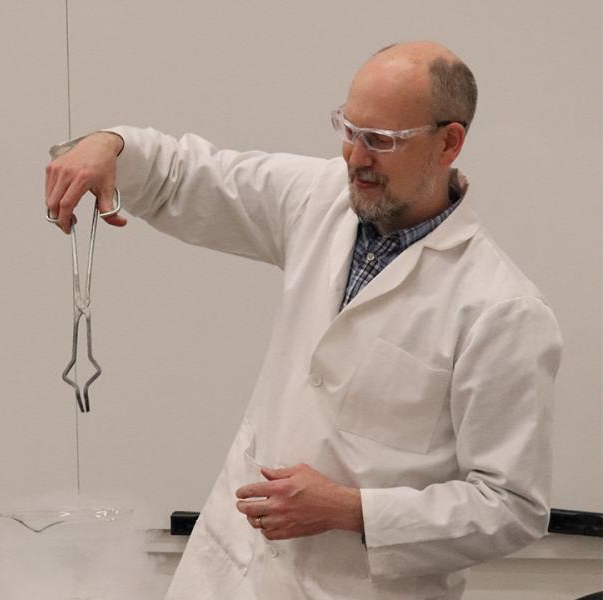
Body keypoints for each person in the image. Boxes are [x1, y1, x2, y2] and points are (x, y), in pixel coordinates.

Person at [43, 41, 562, 600]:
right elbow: (187, 177)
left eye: (381, 141)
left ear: (449, 142)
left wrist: (353, 510)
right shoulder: (318, 201)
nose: (355, 158)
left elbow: (510, 506)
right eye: (349, 129)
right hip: (229, 574)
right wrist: (111, 146)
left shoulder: (502, 310)